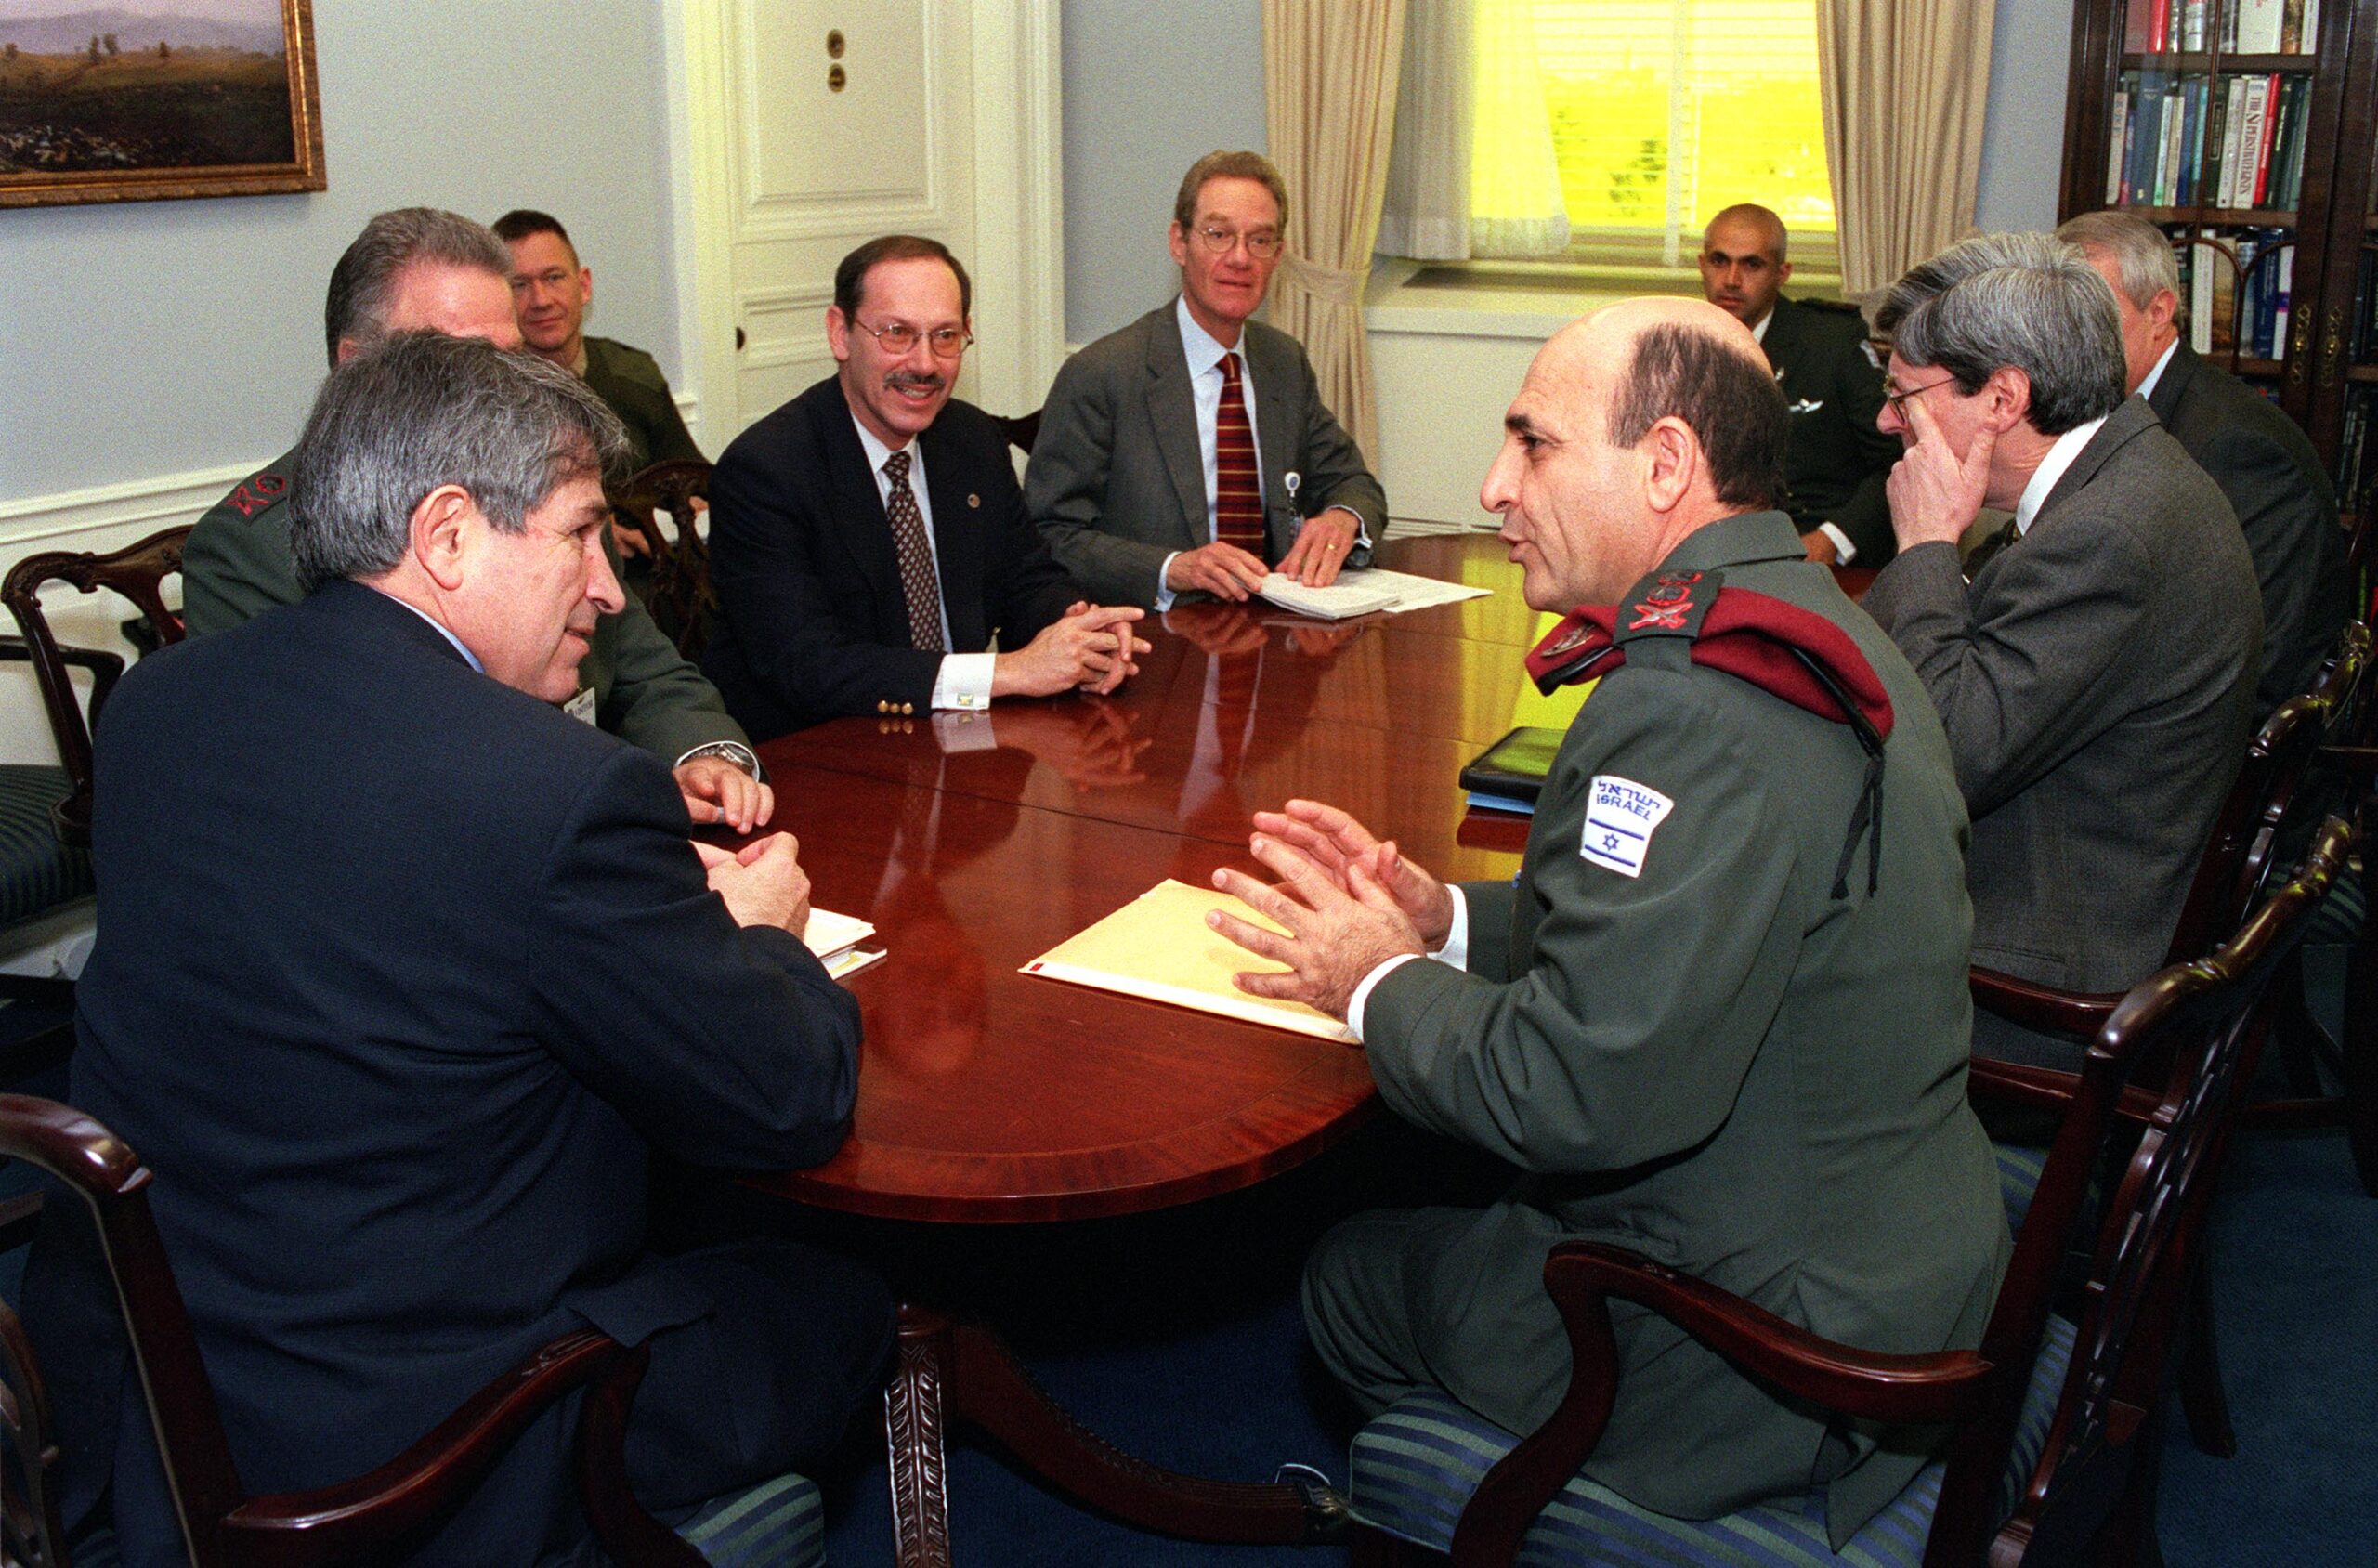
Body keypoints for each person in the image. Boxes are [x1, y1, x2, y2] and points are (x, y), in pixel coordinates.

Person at [20, 332, 893, 1567]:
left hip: (166, 1387)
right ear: (445, 536)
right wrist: (761, 937)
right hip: (441, 1449)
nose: (607, 586)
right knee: (851, 1298)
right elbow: (789, 1099)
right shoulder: (559, 794)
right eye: (583, 532)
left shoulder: (163, 704)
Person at [1208, 297, 2006, 1545]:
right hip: (1905, 1257)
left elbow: (1574, 1094)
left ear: (1667, 465)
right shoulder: (1820, 618)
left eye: (1532, 444)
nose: (1491, 485)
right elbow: (1692, 912)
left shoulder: (1687, 705)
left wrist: (1371, 982)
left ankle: (1493, 1517)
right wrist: (1445, 924)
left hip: (1769, 1354)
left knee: (1346, 1269)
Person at [181, 207, 770, 831]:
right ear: (358, 371)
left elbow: (646, 671)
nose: (510, 393)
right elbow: (324, 788)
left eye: (514, 360)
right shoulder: (255, 548)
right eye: (463, 365)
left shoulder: (553, 503)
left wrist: (708, 757)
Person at [1862, 232, 2261, 1067]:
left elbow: (1951, 754)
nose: (1886, 419)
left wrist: (1926, 545)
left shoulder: (2109, 535)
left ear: (2004, 397)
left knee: (1718, 975)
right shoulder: (2125, 468)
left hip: (2035, 983)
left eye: (1905, 394)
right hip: (2079, 893)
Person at [701, 234, 1148, 741]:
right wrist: (1012, 672)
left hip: (965, 748)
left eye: (945, 336)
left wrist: (1076, 626)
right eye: (897, 333)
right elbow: (807, 666)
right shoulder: (766, 471)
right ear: (839, 334)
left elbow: (1024, 578)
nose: (924, 364)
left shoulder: (972, 440)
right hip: (824, 758)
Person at [1026, 150, 1388, 608]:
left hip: (1271, 634)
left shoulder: (1283, 363)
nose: (1240, 258)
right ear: (1179, 242)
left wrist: (1342, 516)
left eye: (1260, 240)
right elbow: (1049, 535)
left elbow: (1354, 482)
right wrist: (1172, 568)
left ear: (1277, 256)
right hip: (1155, 639)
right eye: (1218, 235)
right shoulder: (1103, 374)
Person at [2058, 208, 2348, 718]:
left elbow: (2255, 663)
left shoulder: (2235, 449)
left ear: (2158, 311)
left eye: (2090, 312)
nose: (2067, 337)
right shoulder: (2108, 406)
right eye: (2059, 314)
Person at [1698, 203, 1901, 567]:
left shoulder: (1831, 343)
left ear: (1782, 273)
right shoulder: (1681, 343)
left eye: (1751, 264)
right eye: (1719, 261)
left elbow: (1898, 461)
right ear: (1702, 265)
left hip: (1810, 547)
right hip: (1712, 548)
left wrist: (1832, 540)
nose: (1731, 279)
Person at [492, 208, 705, 476]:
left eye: (553, 277)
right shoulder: (486, 397)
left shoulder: (634, 372)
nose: (541, 300)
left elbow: (694, 482)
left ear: (583, 286)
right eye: (519, 285)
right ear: (497, 297)